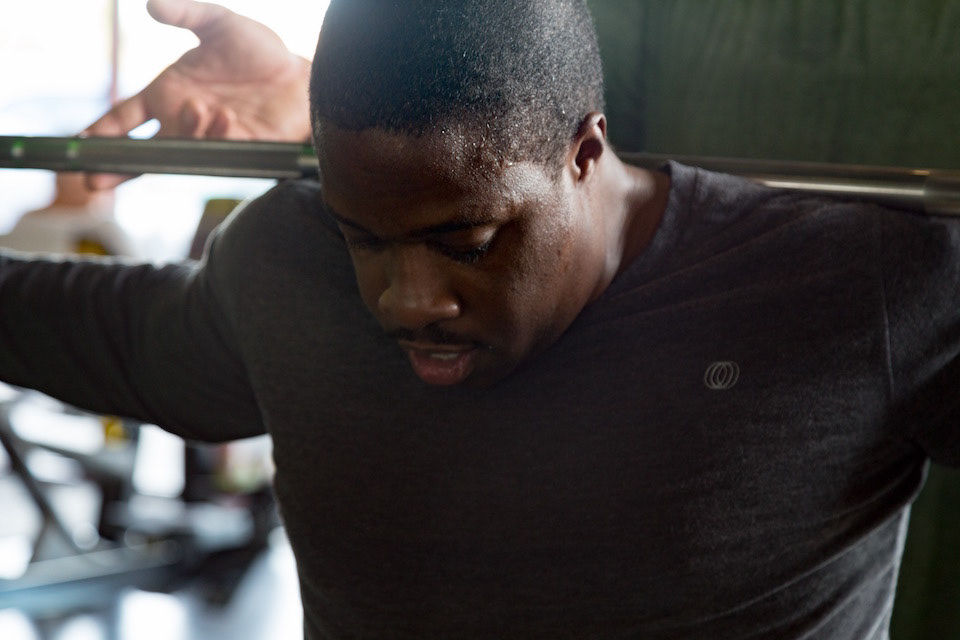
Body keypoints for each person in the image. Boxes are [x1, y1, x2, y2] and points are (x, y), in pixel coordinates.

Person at [3, 0, 959, 638]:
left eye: (467, 243)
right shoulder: (286, 264)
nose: (406, 302)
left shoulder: (857, 289)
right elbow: (100, 331)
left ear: (584, 153)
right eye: (364, 238)